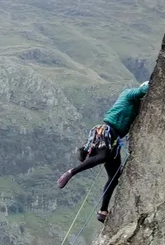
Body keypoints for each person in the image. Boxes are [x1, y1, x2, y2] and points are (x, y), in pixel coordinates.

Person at [57, 80, 149, 221]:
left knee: (114, 176)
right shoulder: (129, 93)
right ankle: (70, 173)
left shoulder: (136, 105)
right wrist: (154, 85)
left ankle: (103, 211)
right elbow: (142, 90)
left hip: (114, 139)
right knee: (103, 156)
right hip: (106, 131)